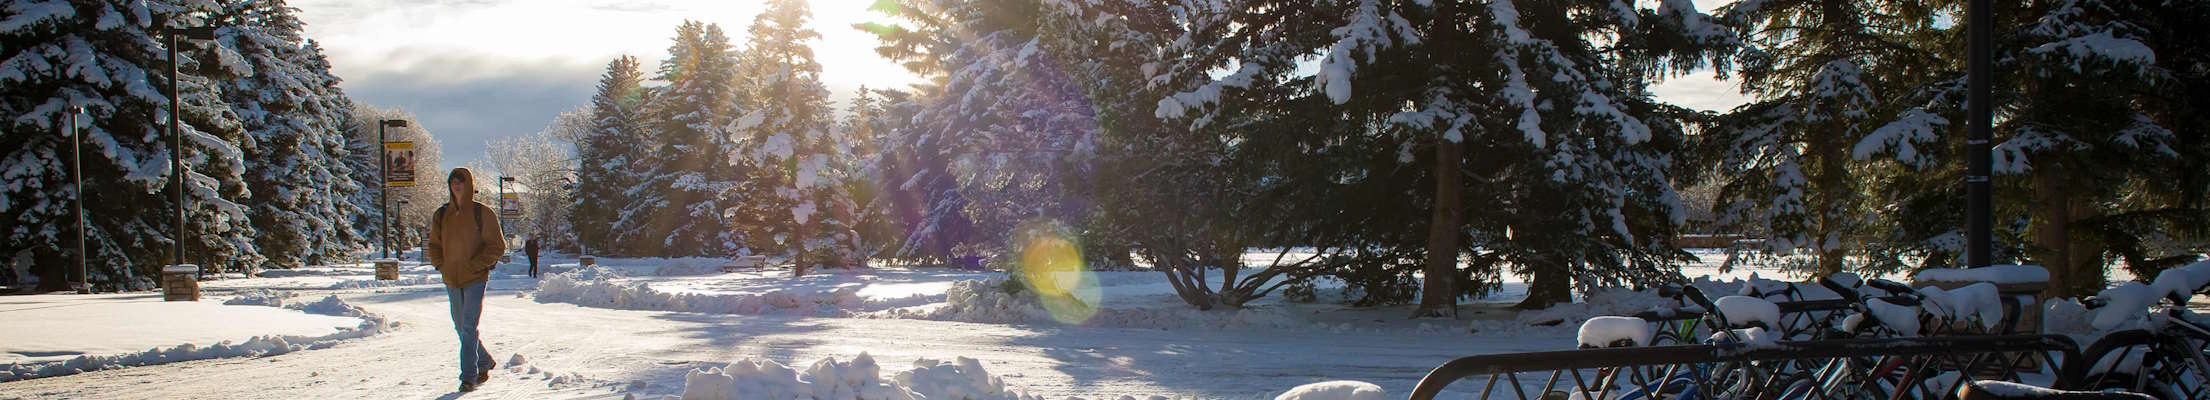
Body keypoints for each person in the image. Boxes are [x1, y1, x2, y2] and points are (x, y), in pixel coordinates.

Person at [425, 167, 506, 392]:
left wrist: (476, 265)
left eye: (461, 181)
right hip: (451, 277)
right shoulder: (441, 215)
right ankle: (484, 361)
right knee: (460, 326)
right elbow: (433, 245)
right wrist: (441, 264)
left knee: (469, 326)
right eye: (453, 181)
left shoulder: (482, 213)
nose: (457, 185)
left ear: (469, 184)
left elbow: (497, 246)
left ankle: (468, 377)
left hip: (475, 278)